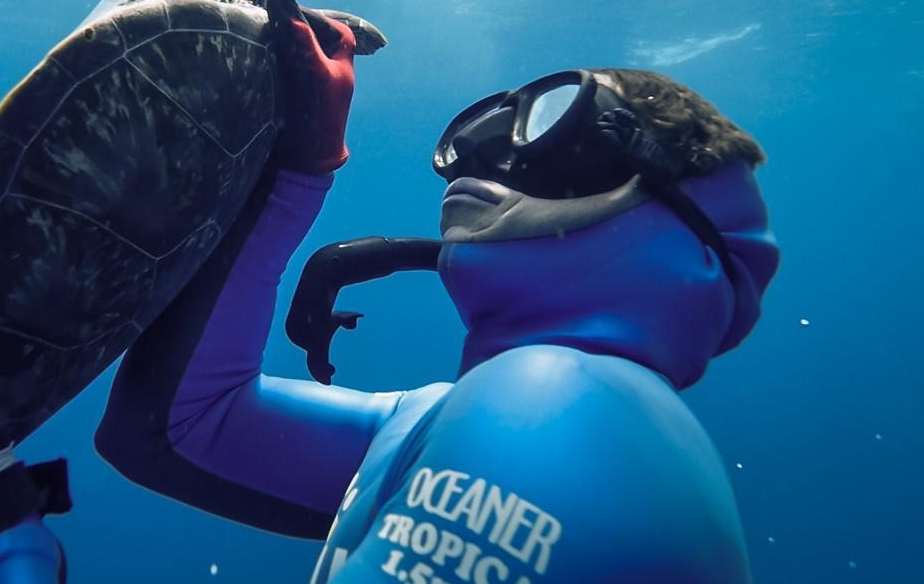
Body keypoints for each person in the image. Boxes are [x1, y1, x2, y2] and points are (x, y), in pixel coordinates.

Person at [95, 42, 780, 580]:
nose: (478, 157)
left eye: (549, 118)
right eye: (486, 126)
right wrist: (291, 167)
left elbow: (179, 428)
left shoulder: (556, 398)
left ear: (691, 237)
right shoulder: (460, 415)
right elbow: (176, 424)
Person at [0, 0, 357, 583]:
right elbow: (168, 432)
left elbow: (167, 433)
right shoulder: (417, 445)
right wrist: (307, 169)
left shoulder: (417, 443)